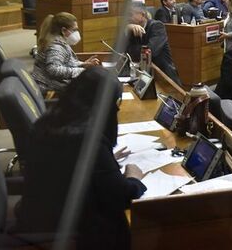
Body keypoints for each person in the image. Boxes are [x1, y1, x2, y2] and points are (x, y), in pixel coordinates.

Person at [17, 68, 147, 250]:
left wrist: (106, 158)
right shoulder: (87, 140)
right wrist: (134, 178)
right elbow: (120, 195)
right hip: (73, 228)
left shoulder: (51, 120)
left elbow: (72, 164)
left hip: (40, 213)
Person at [32, 12, 100, 94]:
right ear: (63, 30)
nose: (77, 32)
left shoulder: (59, 41)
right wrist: (81, 71)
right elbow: (53, 69)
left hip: (54, 84)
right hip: (49, 90)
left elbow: (66, 62)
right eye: (74, 30)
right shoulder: (56, 47)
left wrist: (83, 64)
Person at [126, 4, 181, 85]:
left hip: (164, 77)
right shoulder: (133, 29)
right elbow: (127, 52)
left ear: (142, 15)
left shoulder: (157, 26)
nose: (128, 18)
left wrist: (136, 51)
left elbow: (150, 51)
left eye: (131, 14)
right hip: (144, 78)